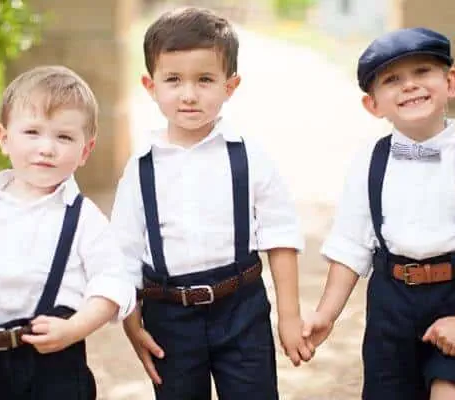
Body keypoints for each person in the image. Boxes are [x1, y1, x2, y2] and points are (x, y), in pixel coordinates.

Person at [302, 28, 455, 400]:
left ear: (450, 82)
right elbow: (351, 248)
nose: (409, 86)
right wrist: (326, 314)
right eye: (392, 80)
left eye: (422, 72)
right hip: (391, 305)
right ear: (373, 105)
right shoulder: (368, 165)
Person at [111, 7, 312, 400]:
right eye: (173, 80)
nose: (189, 94)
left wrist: (289, 317)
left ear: (230, 86)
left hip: (241, 308)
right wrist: (131, 325)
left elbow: (281, 235)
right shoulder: (140, 169)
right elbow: (124, 256)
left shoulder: (248, 156)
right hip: (168, 315)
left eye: (205, 79)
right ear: (150, 86)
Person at [0, 65, 136, 400]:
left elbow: (112, 285)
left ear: (85, 150)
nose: (46, 147)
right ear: (4, 138)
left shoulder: (83, 218)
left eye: (64, 137)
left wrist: (74, 329)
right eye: (32, 132)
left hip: (55, 364)